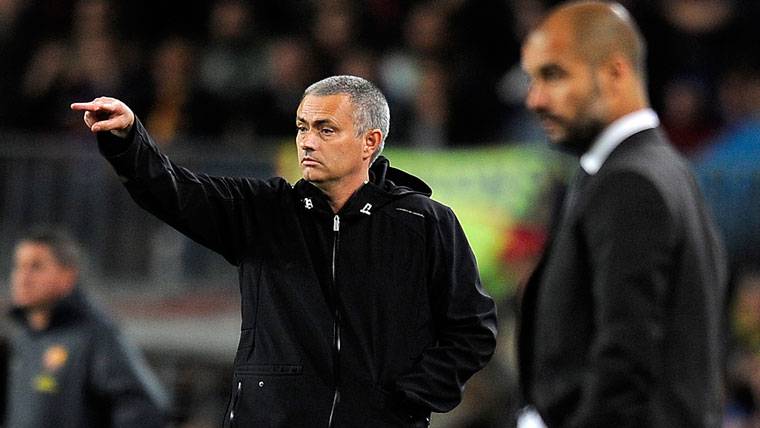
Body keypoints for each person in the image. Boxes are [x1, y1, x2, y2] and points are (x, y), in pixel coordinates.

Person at [71, 75, 498, 427]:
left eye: (325, 129)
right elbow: (175, 192)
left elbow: (472, 330)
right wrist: (130, 140)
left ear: (370, 142)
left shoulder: (425, 223)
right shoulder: (264, 211)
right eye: (301, 127)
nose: (308, 142)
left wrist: (408, 396)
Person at [517, 2, 728, 427]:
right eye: (533, 78)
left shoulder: (631, 182)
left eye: (554, 75)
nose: (535, 99)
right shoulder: (660, 168)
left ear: (615, 74)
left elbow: (627, 359)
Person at [4, 227, 170, 428]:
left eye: (36, 267)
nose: (23, 278)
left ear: (68, 276)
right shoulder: (23, 334)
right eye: (18, 266)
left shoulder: (94, 333)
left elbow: (142, 407)